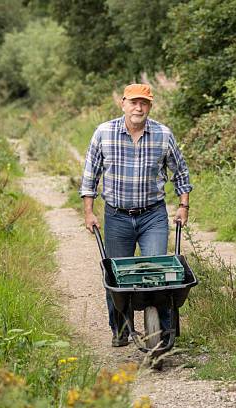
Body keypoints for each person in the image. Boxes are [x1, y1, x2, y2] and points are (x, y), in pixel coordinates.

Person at [79, 83, 192, 347]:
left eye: (144, 103)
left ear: (150, 106)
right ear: (123, 103)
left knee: (158, 274)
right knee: (117, 276)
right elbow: (90, 175)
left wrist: (183, 206)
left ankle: (164, 335)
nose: (138, 108)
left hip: (153, 215)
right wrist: (88, 212)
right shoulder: (104, 133)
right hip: (116, 216)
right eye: (133, 102)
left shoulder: (163, 135)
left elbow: (181, 173)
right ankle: (119, 332)